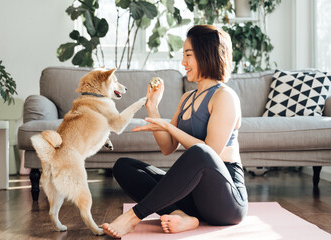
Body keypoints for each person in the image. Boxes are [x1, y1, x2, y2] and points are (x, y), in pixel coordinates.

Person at [102, 25, 248, 238]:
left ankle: (132, 217)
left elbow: (211, 152)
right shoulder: (187, 99)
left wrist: (169, 126)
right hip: (194, 197)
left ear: (206, 54)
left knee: (202, 152)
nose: (183, 63)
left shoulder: (225, 96)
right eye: (183, 56)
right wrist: (153, 106)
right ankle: (182, 215)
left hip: (226, 201)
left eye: (188, 55)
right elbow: (168, 148)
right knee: (124, 166)